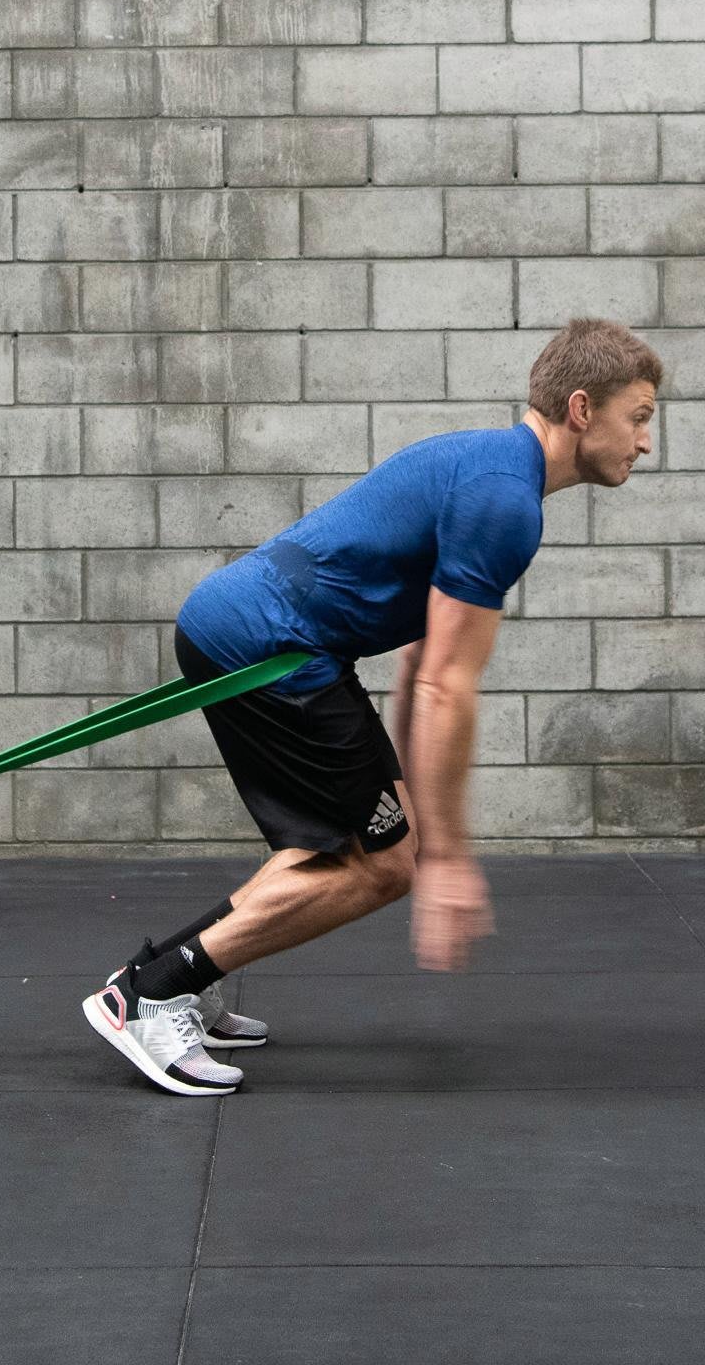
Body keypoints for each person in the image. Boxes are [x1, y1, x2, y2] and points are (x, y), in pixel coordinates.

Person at [85, 316, 663, 1095]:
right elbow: (445, 685)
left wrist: (412, 815)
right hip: (270, 645)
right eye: (639, 417)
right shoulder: (505, 501)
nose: (645, 442)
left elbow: (421, 667)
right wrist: (446, 858)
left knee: (356, 847)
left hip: (266, 636)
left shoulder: (488, 467)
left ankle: (163, 978)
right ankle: (151, 998)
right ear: (583, 409)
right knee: (384, 868)